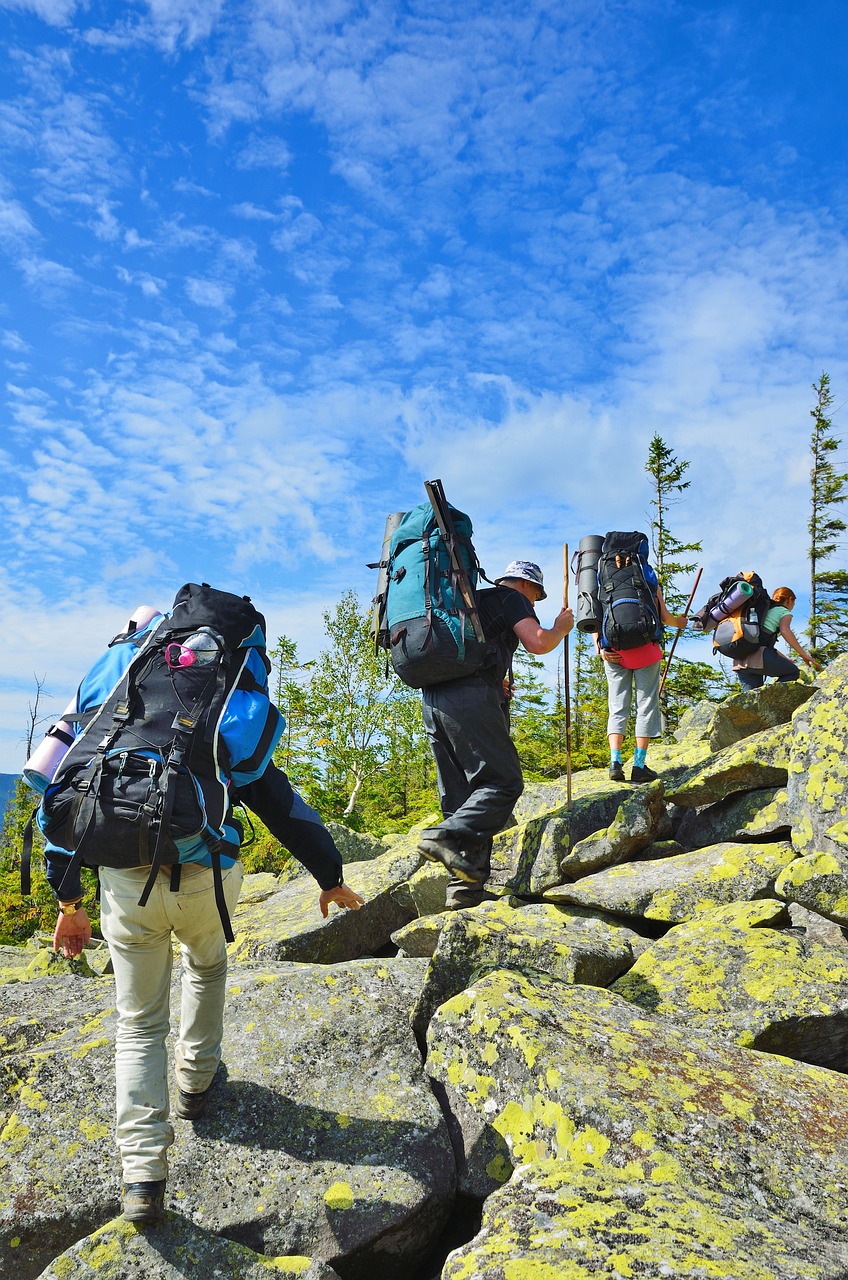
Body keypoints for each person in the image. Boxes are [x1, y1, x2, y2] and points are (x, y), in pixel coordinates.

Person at [44, 603, 364, 1228]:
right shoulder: (219, 707)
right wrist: (330, 876)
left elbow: (64, 806)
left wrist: (69, 905)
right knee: (207, 965)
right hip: (203, 877)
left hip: (120, 877)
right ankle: (197, 1082)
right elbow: (278, 800)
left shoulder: (112, 708)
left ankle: (142, 1175)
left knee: (137, 1024)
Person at [417, 559, 573, 909]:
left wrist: (492, 674)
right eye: (536, 594)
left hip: (433, 699)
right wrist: (560, 627)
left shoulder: (471, 601)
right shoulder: (511, 598)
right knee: (503, 783)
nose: (535, 602)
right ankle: (444, 837)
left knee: (462, 797)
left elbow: (471, 650)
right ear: (526, 585)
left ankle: (463, 892)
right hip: (470, 699)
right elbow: (538, 642)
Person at [594, 560, 687, 784]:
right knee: (645, 705)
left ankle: (615, 762)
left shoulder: (604, 580)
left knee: (617, 706)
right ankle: (639, 764)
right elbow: (664, 618)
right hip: (646, 651)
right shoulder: (647, 579)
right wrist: (679, 622)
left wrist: (600, 650)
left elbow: (594, 619)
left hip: (614, 652)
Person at [732, 587, 821, 689]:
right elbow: (785, 631)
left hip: (739, 659)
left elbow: (764, 643)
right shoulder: (784, 611)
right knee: (793, 672)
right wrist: (804, 655)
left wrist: (785, 659)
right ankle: (773, 698)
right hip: (758, 658)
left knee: (752, 698)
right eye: (794, 602)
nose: (794, 606)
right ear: (790, 599)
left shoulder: (763, 612)